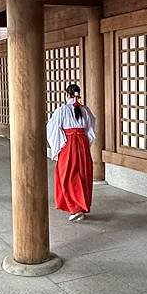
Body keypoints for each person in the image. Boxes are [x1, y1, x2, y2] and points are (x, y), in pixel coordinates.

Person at [47, 83, 96, 222]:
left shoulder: (62, 110)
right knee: (82, 174)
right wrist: (86, 142)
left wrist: (59, 144)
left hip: (68, 145)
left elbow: (51, 129)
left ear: (66, 94)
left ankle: (75, 208)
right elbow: (91, 130)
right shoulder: (85, 110)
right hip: (83, 144)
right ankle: (81, 206)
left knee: (67, 175)